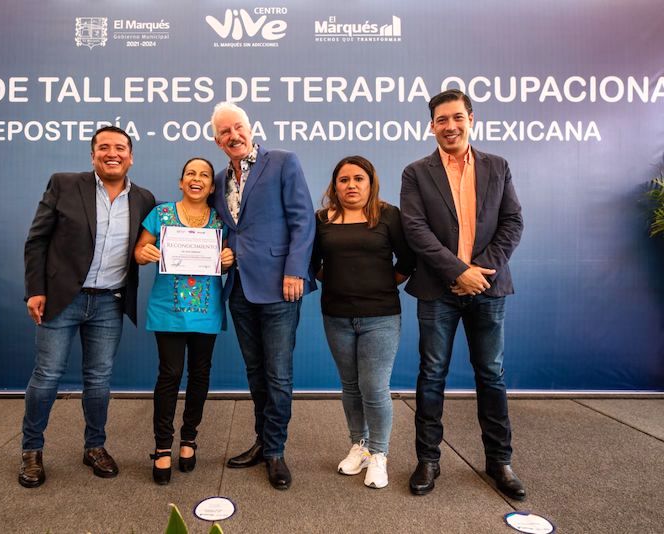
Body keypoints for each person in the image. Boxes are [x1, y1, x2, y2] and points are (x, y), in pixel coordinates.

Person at [400, 89, 526, 500]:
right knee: (431, 374)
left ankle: (499, 461)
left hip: (488, 288)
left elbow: (512, 223)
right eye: (441, 120)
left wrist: (479, 273)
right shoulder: (416, 172)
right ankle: (428, 459)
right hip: (438, 289)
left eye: (457, 117)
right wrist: (458, 272)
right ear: (431, 125)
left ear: (471, 119)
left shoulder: (498, 166)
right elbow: (415, 230)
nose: (450, 126)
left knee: (491, 374)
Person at [19, 126, 155, 488]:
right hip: (63, 299)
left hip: (110, 302)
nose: (113, 153)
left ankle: (94, 446)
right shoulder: (64, 184)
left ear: (131, 156)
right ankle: (31, 451)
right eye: (104, 147)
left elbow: (149, 245)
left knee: (98, 380)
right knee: (47, 376)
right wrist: (36, 289)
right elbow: (37, 240)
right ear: (93, 155)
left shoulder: (144, 199)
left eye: (121, 148)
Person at [210, 101, 316, 490]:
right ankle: (262, 439)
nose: (233, 135)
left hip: (279, 286)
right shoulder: (219, 179)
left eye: (237, 127)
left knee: (278, 372)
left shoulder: (284, 161)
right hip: (238, 287)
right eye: (224, 132)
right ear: (217, 141)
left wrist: (295, 270)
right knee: (255, 372)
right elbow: (226, 230)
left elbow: (303, 220)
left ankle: (275, 451)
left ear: (251, 128)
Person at [311, 156, 415, 489]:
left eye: (359, 179)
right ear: (334, 185)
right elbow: (312, 264)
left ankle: (380, 455)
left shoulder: (387, 215)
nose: (351, 185)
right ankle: (360, 445)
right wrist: (341, 283)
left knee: (374, 387)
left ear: (370, 183)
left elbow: (408, 261)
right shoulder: (321, 220)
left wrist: (381, 284)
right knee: (351, 386)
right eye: (344, 180)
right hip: (337, 316)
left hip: (380, 316)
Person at [134, 158, 234, 485]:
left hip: (206, 310)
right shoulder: (161, 214)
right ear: (181, 182)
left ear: (212, 186)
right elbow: (139, 250)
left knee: (200, 373)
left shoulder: (222, 220)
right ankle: (162, 445)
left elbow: (233, 256)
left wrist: (229, 258)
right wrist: (144, 253)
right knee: (170, 374)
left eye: (204, 175)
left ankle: (189, 439)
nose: (196, 178)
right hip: (169, 310)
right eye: (190, 173)